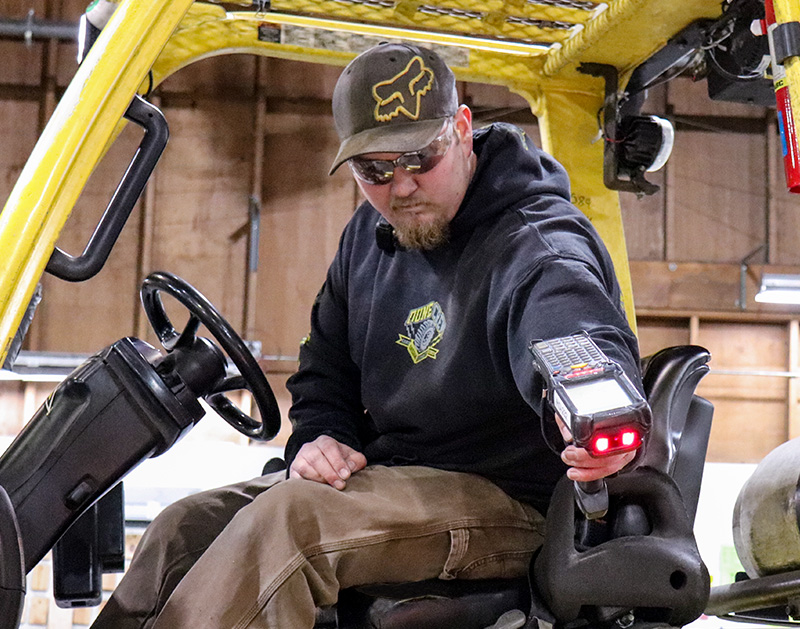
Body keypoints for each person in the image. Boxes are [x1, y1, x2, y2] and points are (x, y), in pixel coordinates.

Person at [91, 42, 641, 629]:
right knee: (183, 527)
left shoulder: (536, 247)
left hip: (509, 500)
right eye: (375, 169)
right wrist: (320, 435)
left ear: (461, 128)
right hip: (391, 480)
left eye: (418, 159)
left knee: (291, 526)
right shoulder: (369, 237)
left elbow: (571, 334)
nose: (400, 187)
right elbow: (324, 367)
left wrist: (587, 403)